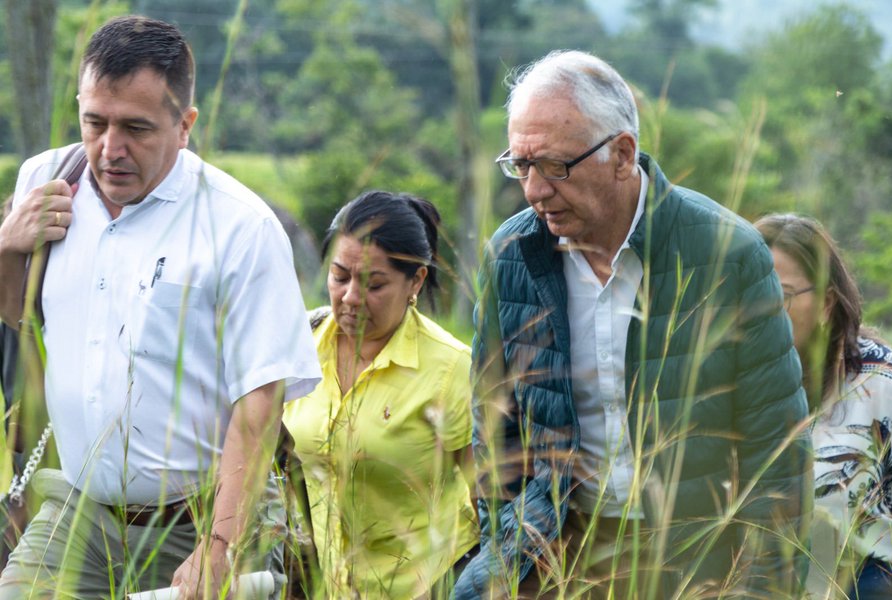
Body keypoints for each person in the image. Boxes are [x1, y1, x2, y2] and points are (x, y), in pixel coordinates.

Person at [453, 50, 813, 599]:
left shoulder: (725, 254)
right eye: (520, 165)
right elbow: (495, 433)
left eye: (555, 166)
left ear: (622, 153)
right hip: (555, 550)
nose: (533, 190)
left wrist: (758, 589)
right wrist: (509, 545)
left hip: (693, 558)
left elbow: (777, 454)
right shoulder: (511, 255)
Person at [0, 16, 321, 598]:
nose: (109, 148)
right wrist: (5, 248)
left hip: (201, 521)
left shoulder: (239, 228)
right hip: (80, 510)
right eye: (93, 121)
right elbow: (16, 319)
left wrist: (218, 553)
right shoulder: (46, 180)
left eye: (136, 128)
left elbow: (259, 409)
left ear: (185, 125)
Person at [282, 190, 480, 599]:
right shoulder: (298, 347)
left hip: (427, 586)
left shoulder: (450, 369)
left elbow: (492, 505)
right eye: (340, 277)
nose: (351, 298)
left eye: (374, 285)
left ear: (416, 281)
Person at [756, 213, 892, 600]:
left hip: (863, 579)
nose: (763, 310)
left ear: (825, 303)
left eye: (781, 295)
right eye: (752, 293)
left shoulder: (880, 383)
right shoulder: (729, 380)